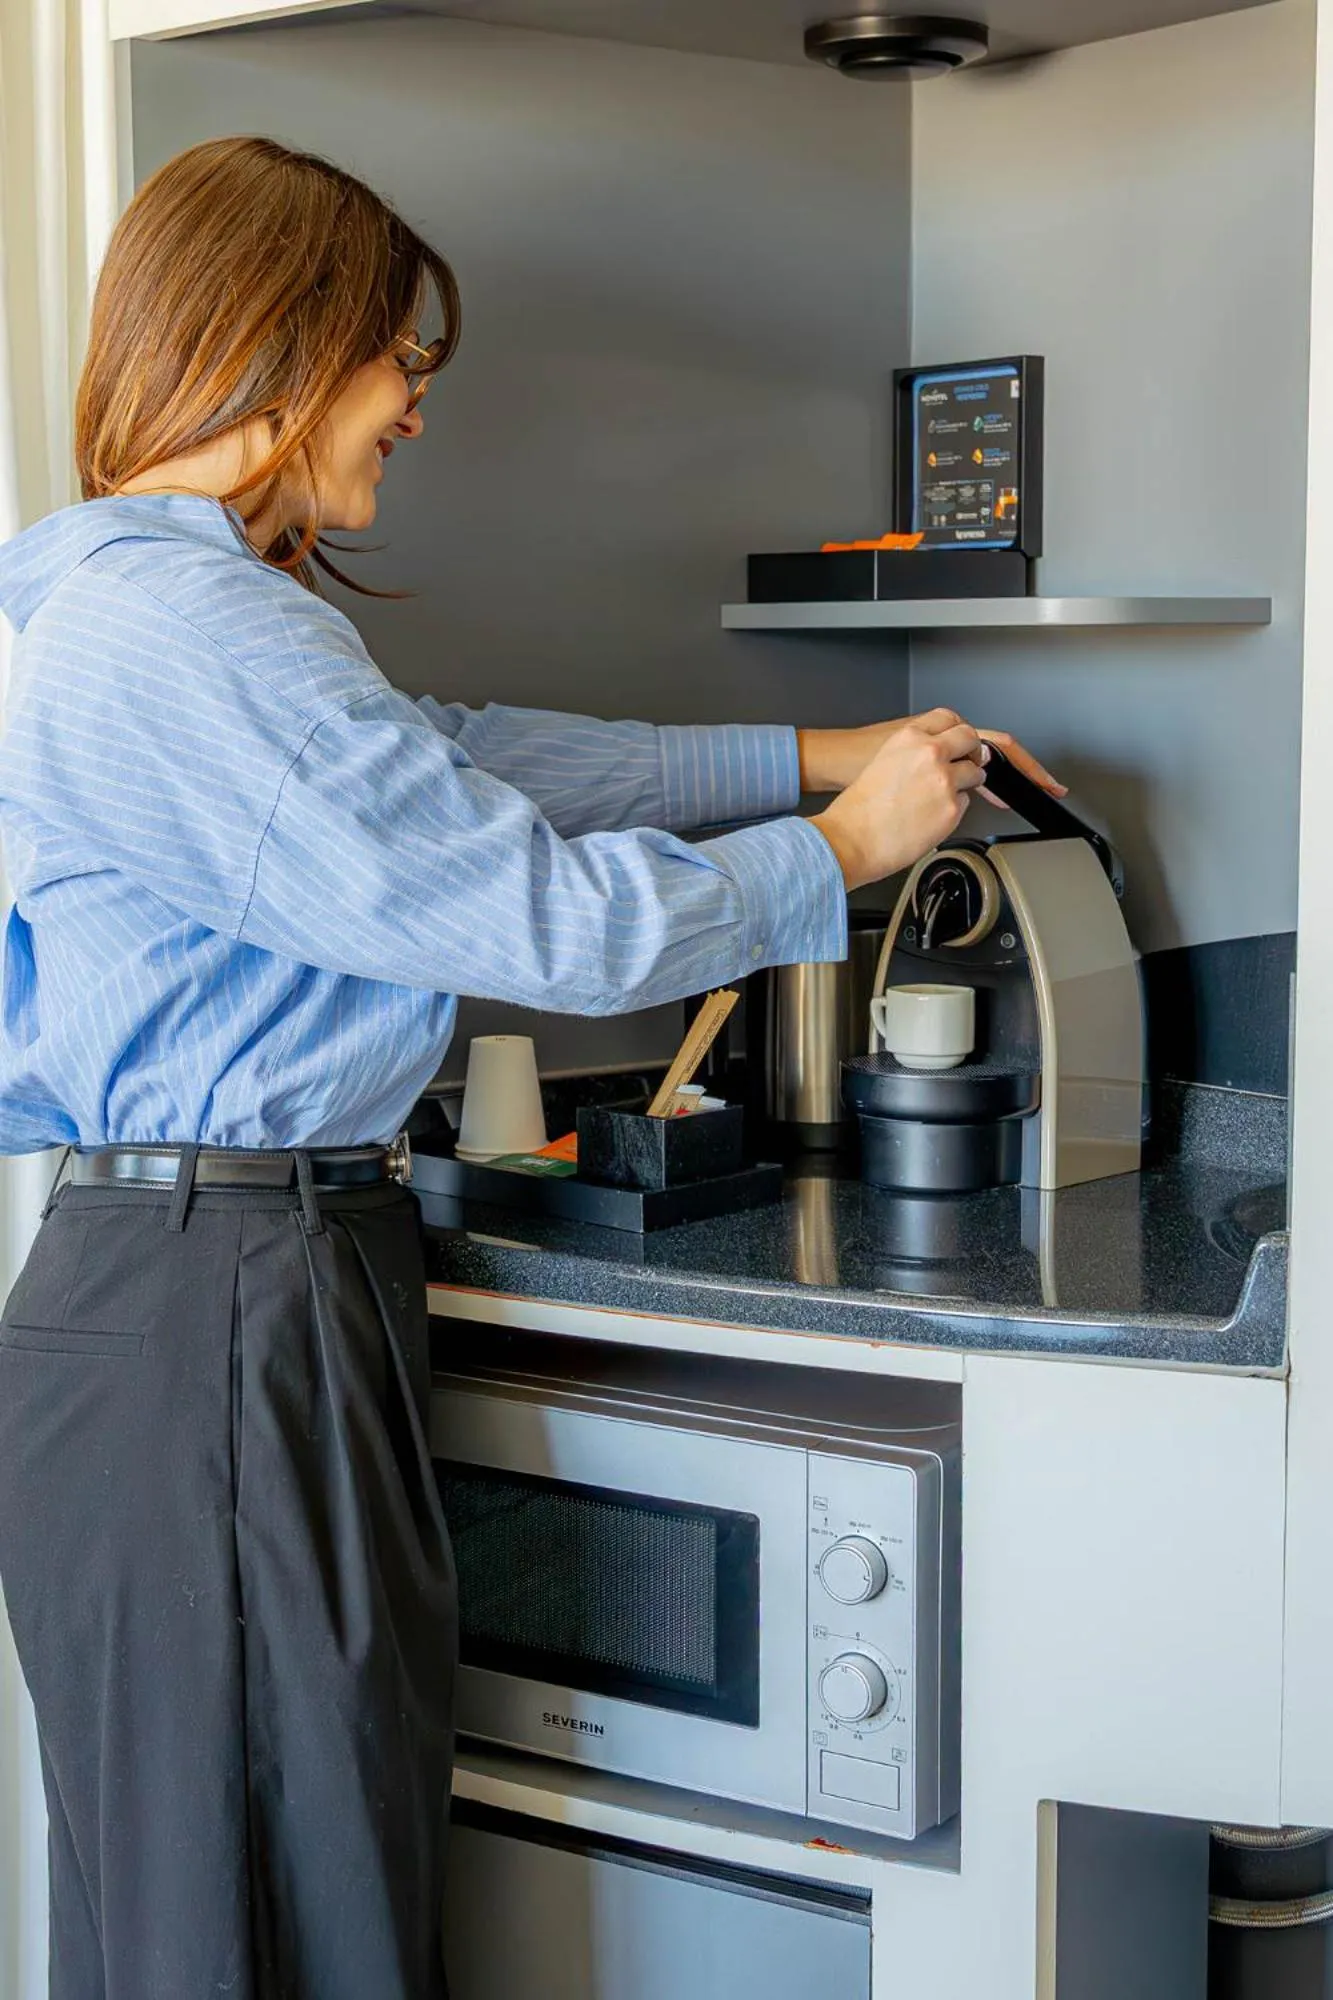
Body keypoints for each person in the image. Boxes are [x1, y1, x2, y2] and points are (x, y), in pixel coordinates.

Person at [0, 136, 1061, 2000]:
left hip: (191, 1293)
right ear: (277, 342)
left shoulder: (112, 602)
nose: (414, 406)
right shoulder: (187, 630)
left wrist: (809, 754)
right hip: (225, 1309)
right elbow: (545, 924)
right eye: (396, 357)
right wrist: (840, 850)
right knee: (287, 1917)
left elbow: (462, 761)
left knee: (215, 1909)